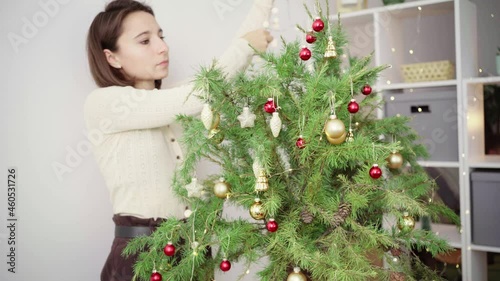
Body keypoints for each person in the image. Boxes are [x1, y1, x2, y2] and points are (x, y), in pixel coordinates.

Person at [84, 0, 274, 280]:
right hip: (142, 256)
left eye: (161, 36)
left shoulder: (174, 99)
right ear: (112, 57)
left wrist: (262, 6)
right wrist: (245, 47)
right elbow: (200, 93)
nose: (162, 47)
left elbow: (218, 73)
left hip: (193, 250)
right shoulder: (104, 103)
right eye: (145, 40)